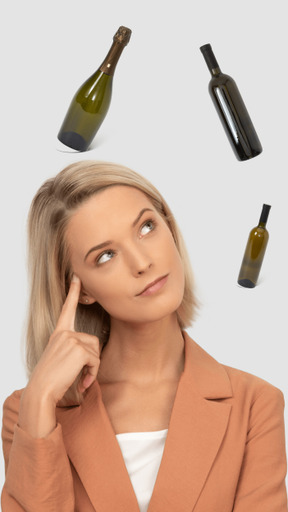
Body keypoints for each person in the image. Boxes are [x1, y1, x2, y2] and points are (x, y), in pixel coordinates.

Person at [1, 160, 287, 512]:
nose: (141, 262)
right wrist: (41, 396)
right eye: (105, 255)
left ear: (170, 226)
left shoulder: (255, 404)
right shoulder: (29, 411)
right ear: (81, 290)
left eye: (146, 227)